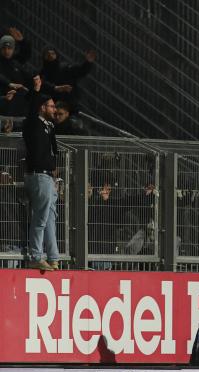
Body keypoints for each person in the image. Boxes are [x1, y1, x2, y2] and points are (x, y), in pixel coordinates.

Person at [23, 76, 60, 271]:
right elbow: (31, 108)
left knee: (51, 217)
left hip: (47, 177)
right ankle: (36, 255)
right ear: (42, 107)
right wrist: (36, 91)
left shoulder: (48, 126)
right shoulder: (32, 123)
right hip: (38, 176)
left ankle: (53, 256)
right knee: (41, 217)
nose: (55, 110)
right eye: (51, 106)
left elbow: (52, 149)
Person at [40, 48, 97, 112]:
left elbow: (80, 71)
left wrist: (88, 63)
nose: (50, 55)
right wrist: (55, 88)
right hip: (52, 106)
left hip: (69, 105)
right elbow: (42, 85)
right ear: (44, 57)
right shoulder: (43, 73)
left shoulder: (64, 67)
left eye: (52, 53)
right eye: (47, 54)